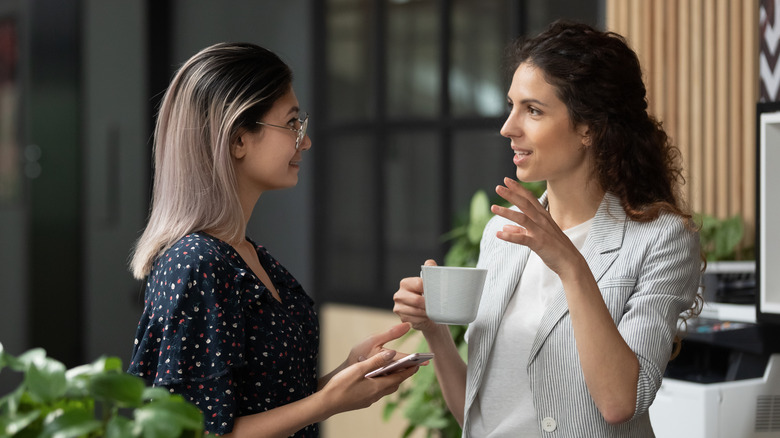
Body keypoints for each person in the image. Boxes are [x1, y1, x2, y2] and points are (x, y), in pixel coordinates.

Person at [393, 20, 702, 437]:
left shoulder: (661, 239)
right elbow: (481, 418)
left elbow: (618, 402)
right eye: (511, 105)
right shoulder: (501, 236)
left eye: (533, 110)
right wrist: (435, 331)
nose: (508, 127)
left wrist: (570, 265)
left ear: (588, 127)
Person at [127, 42, 419, 437]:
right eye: (292, 124)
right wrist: (328, 402)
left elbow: (266, 404)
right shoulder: (196, 262)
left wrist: (344, 376)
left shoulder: (248, 256)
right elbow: (199, 433)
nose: (306, 141)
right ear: (237, 140)